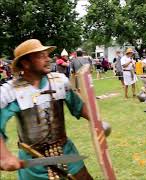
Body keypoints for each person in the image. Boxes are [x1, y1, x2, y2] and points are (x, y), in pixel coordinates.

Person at [0, 39, 93, 179]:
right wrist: (5, 156)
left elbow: (78, 107)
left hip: (65, 151)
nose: (48, 59)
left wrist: (97, 121)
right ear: (26, 63)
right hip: (33, 160)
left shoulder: (60, 82)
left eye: (47, 55)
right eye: (41, 56)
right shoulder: (10, 91)